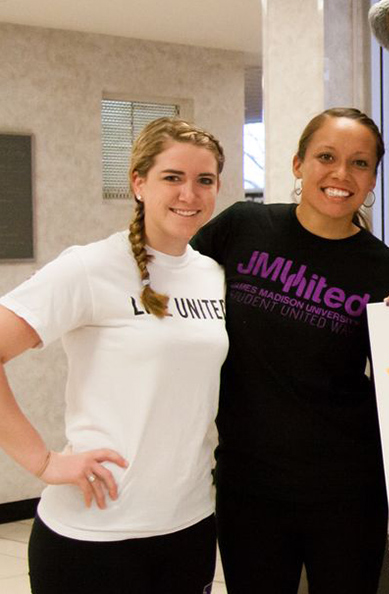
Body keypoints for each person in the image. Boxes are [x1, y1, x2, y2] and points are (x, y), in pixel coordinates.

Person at [191, 107, 389, 594]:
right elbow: (175, 291)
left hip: (348, 489)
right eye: (326, 157)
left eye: (360, 164)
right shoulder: (241, 227)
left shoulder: (387, 270)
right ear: (298, 164)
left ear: (373, 177)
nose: (341, 174)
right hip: (247, 485)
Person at [0, 117, 227, 594]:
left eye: (204, 180)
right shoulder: (91, 267)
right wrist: (43, 463)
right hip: (92, 536)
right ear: (138, 183)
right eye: (173, 177)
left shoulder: (212, 275)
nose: (190, 193)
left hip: (188, 527)